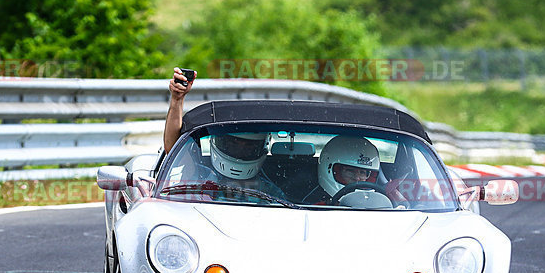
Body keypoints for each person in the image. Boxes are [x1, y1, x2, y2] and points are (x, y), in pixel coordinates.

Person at [162, 67, 284, 202]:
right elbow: (172, 147)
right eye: (233, 144)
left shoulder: (271, 192)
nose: (240, 151)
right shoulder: (198, 171)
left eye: (248, 146)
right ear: (218, 141)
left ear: (262, 147)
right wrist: (177, 99)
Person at [302, 135, 381, 205]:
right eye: (350, 171)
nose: (357, 178)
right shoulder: (315, 207)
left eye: (362, 172)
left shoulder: (378, 204)